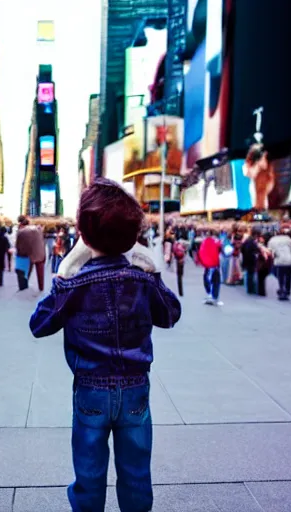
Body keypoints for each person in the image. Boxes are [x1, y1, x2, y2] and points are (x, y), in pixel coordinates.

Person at [29, 178, 181, 512]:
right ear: (132, 238)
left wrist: (65, 272)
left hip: (90, 391)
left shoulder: (77, 283)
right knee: (137, 474)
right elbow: (170, 314)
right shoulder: (142, 280)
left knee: (89, 474)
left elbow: (38, 325)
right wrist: (152, 272)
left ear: (82, 234)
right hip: (136, 389)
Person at [268, 228, 291, 300]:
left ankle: (282, 289)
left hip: (278, 261)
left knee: (280, 276)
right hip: (288, 260)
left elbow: (269, 251)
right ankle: (287, 290)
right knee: (288, 276)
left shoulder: (272, 240)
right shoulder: (288, 239)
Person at [198, 230, 223, 305]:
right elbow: (220, 249)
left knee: (208, 279)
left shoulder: (205, 242)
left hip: (208, 264)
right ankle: (213, 297)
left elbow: (201, 252)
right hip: (214, 264)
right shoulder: (216, 242)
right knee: (214, 281)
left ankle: (210, 295)